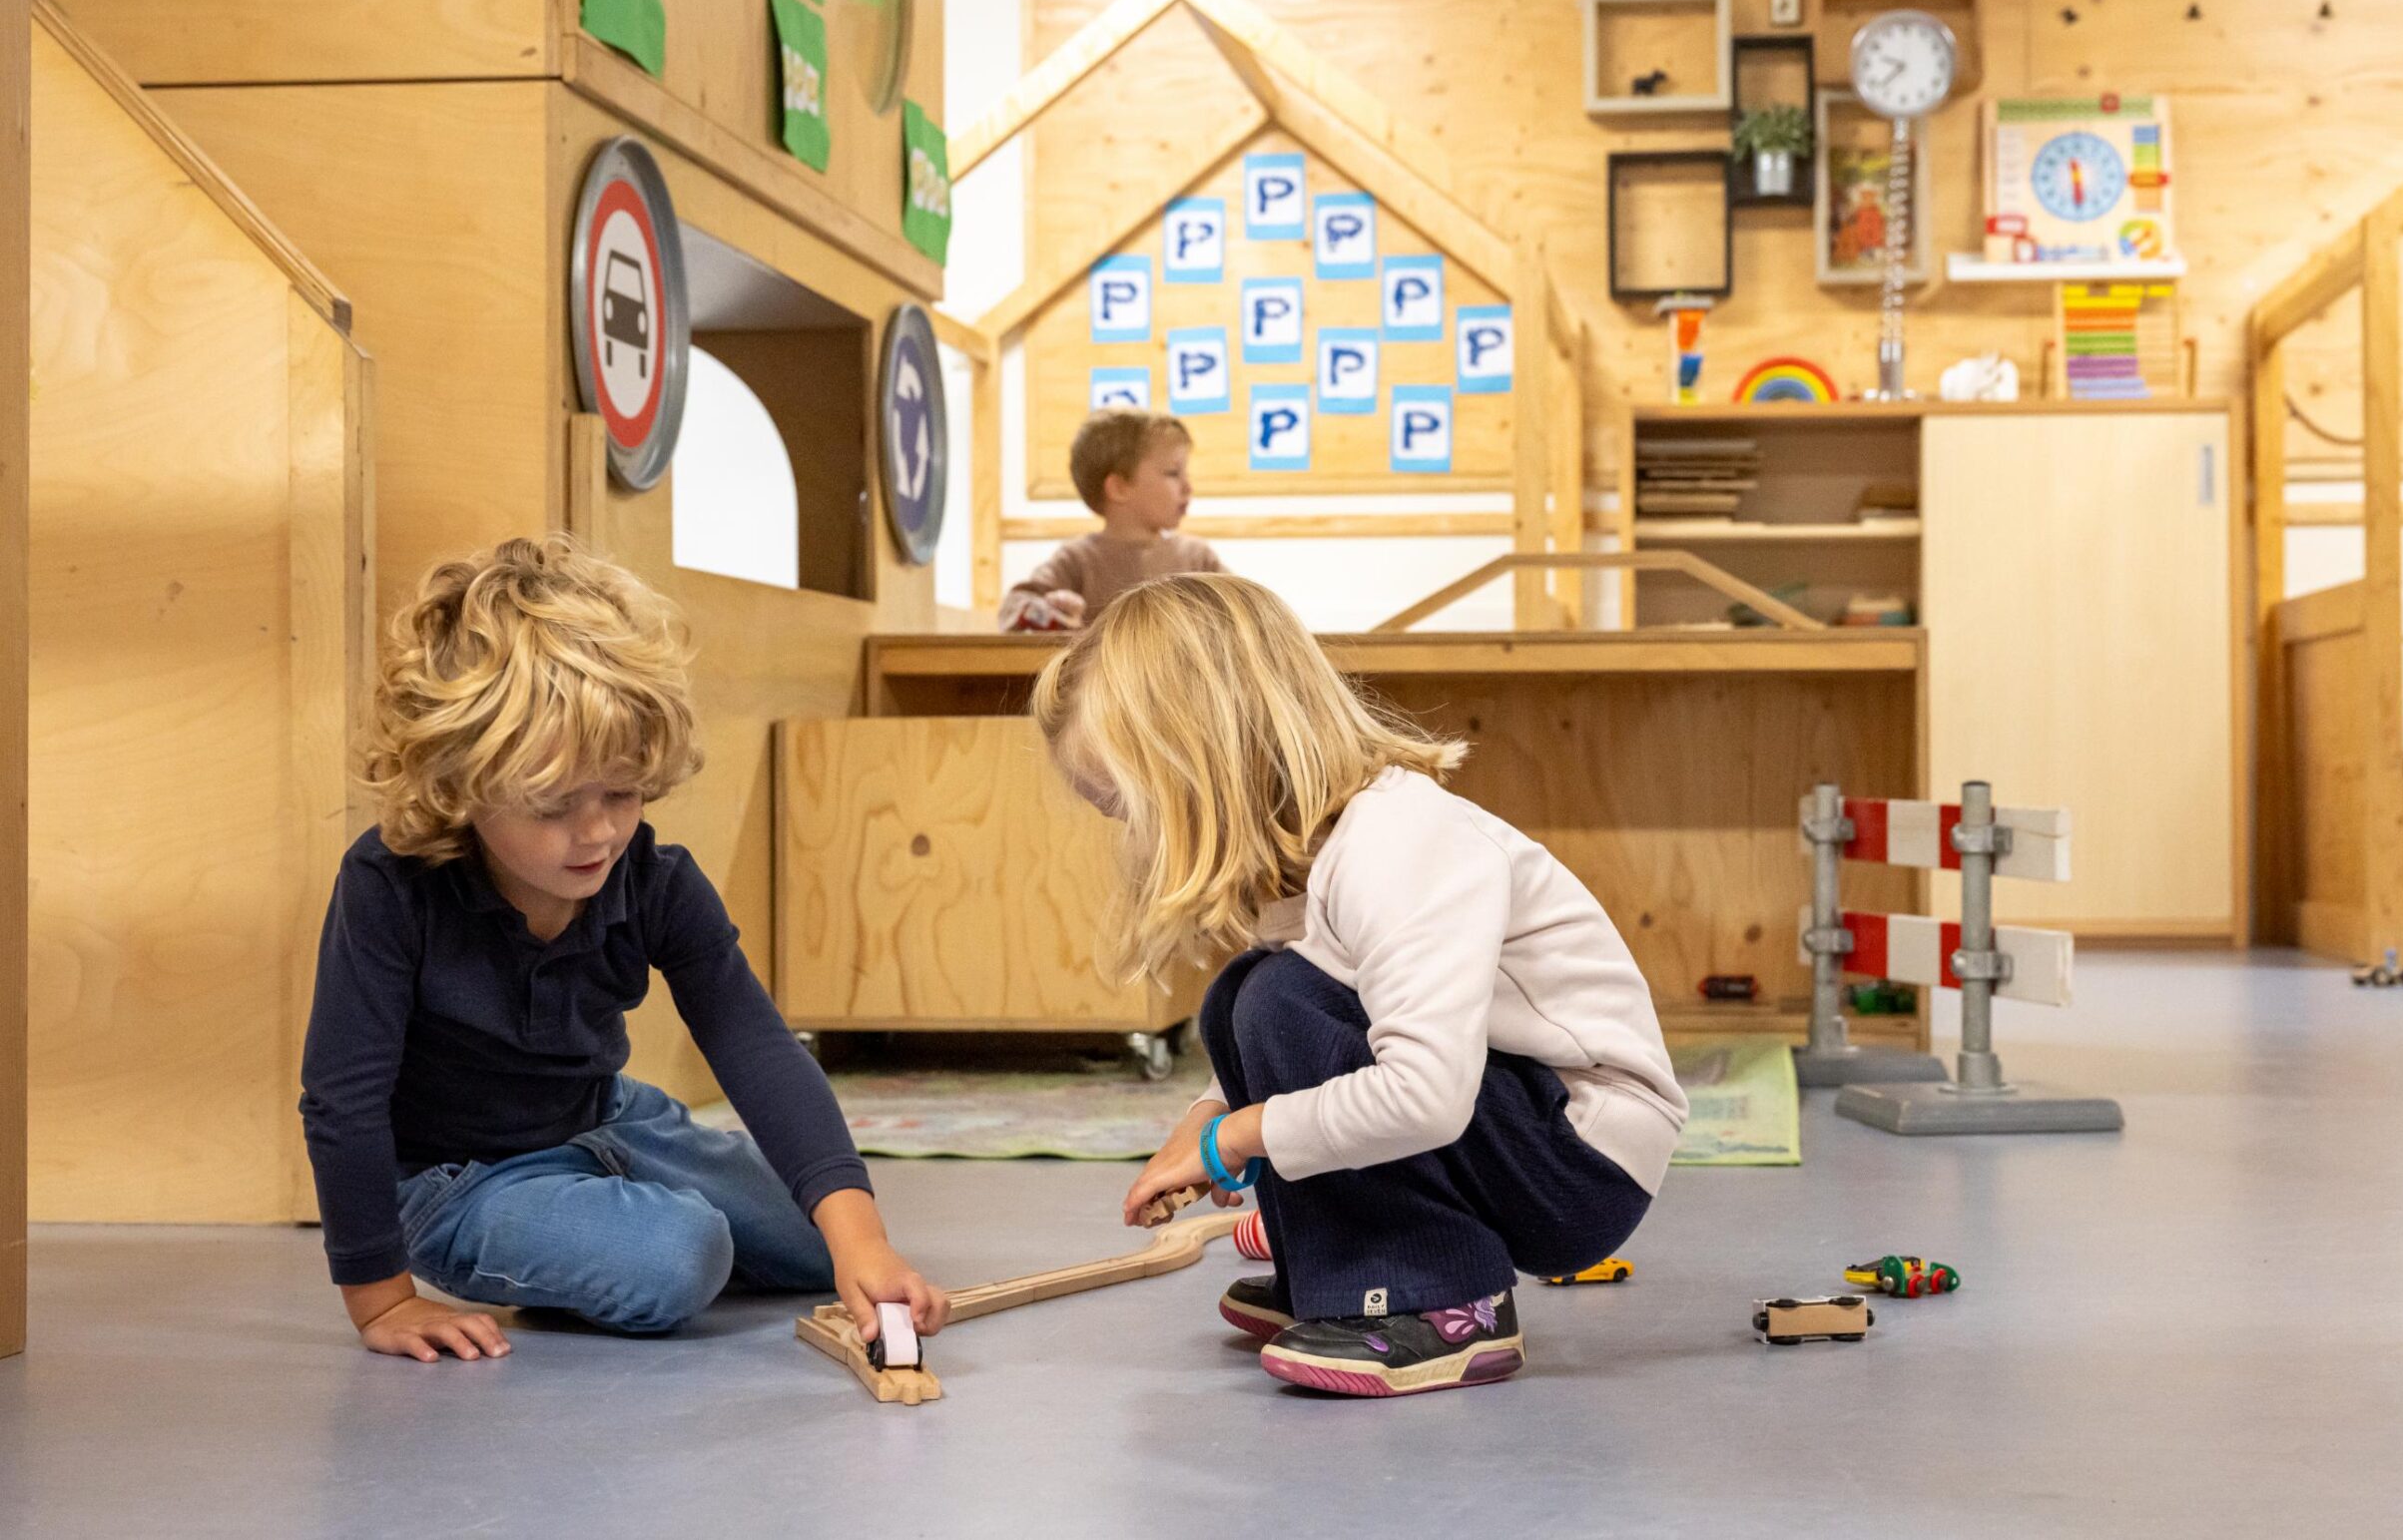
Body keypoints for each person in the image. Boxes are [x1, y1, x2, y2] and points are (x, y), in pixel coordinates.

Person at [1031, 575, 1687, 1397]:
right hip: (1520, 1126)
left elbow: (1425, 1096)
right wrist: (1206, 1116)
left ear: (1205, 760)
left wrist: (1234, 1139)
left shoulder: (1399, 848)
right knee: (1244, 998)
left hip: (1580, 1163)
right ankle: (1346, 1275)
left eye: (1130, 804)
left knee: (1275, 1001)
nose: (1131, 831)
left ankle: (1447, 1301)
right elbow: (1322, 1027)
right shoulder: (1317, 854)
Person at [299, 537, 947, 1362]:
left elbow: (754, 1046)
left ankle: (606, 1198)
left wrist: (860, 1239)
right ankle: (588, 1224)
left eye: (622, 791)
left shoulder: (656, 881)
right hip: (455, 1179)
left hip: (607, 1121)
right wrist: (380, 1299)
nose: (599, 830)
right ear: (461, 783)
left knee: (823, 1222)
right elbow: (340, 1100)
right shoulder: (389, 886)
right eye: (554, 804)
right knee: (680, 1258)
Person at [998, 409, 1222, 632]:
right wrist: (1055, 614)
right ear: (1119, 488)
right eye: (1173, 473)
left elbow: (1245, 612)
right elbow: (1015, 607)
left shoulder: (1198, 558)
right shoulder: (1077, 560)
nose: (1188, 487)